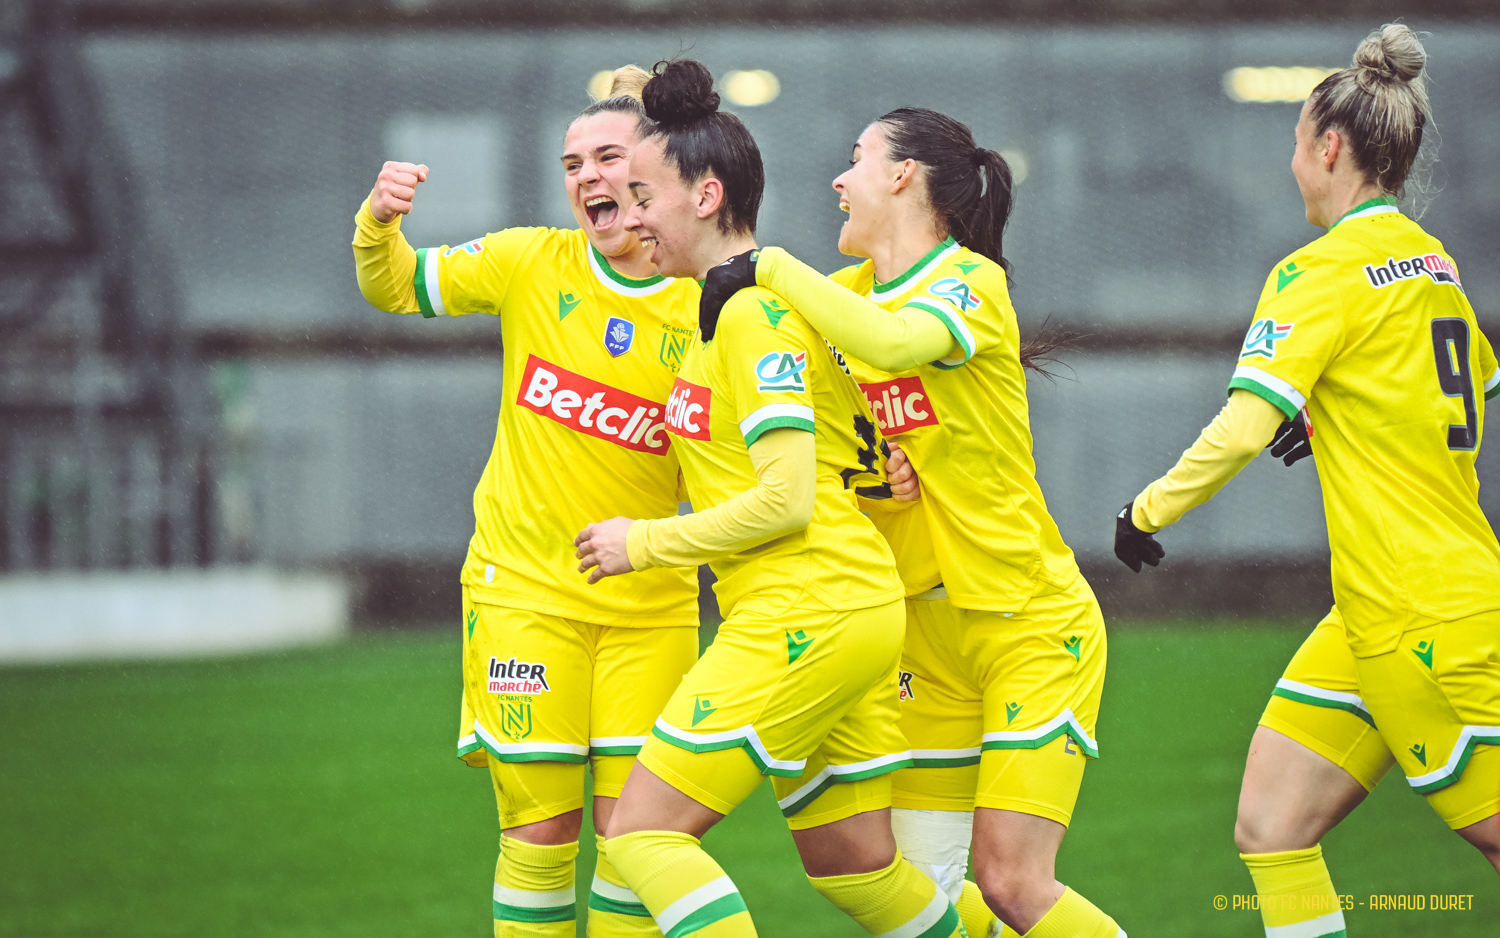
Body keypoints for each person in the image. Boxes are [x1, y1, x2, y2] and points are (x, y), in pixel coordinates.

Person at [1113, 23, 1500, 938]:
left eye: (1294, 141)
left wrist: (1146, 508)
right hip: (1379, 610)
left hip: (1419, 617)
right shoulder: (1431, 264)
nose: (1292, 163)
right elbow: (1475, 388)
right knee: (1271, 826)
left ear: (1329, 147)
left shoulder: (1317, 271)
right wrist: (1333, 410)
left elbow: (1242, 426)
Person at [702, 108, 1125, 938]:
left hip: (1027, 626)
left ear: (903, 175)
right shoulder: (843, 296)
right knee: (929, 893)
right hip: (919, 640)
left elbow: (896, 347)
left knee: (1010, 882)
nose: (837, 178)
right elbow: (819, 435)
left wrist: (770, 266)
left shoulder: (968, 281)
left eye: (854, 157)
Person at [573, 59, 965, 938]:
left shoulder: (753, 315)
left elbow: (788, 502)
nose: (629, 216)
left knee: (638, 835)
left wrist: (642, 542)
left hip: (807, 609)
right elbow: (848, 458)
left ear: (707, 196)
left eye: (644, 194)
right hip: (841, 610)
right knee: (857, 871)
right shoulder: (728, 310)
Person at [351, 67, 702, 938]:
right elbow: (396, 286)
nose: (586, 177)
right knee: (542, 832)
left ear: (659, 173)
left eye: (608, 157)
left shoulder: (710, 304)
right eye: (572, 162)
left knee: (638, 841)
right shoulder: (528, 261)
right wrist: (379, 222)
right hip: (524, 596)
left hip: (649, 610)